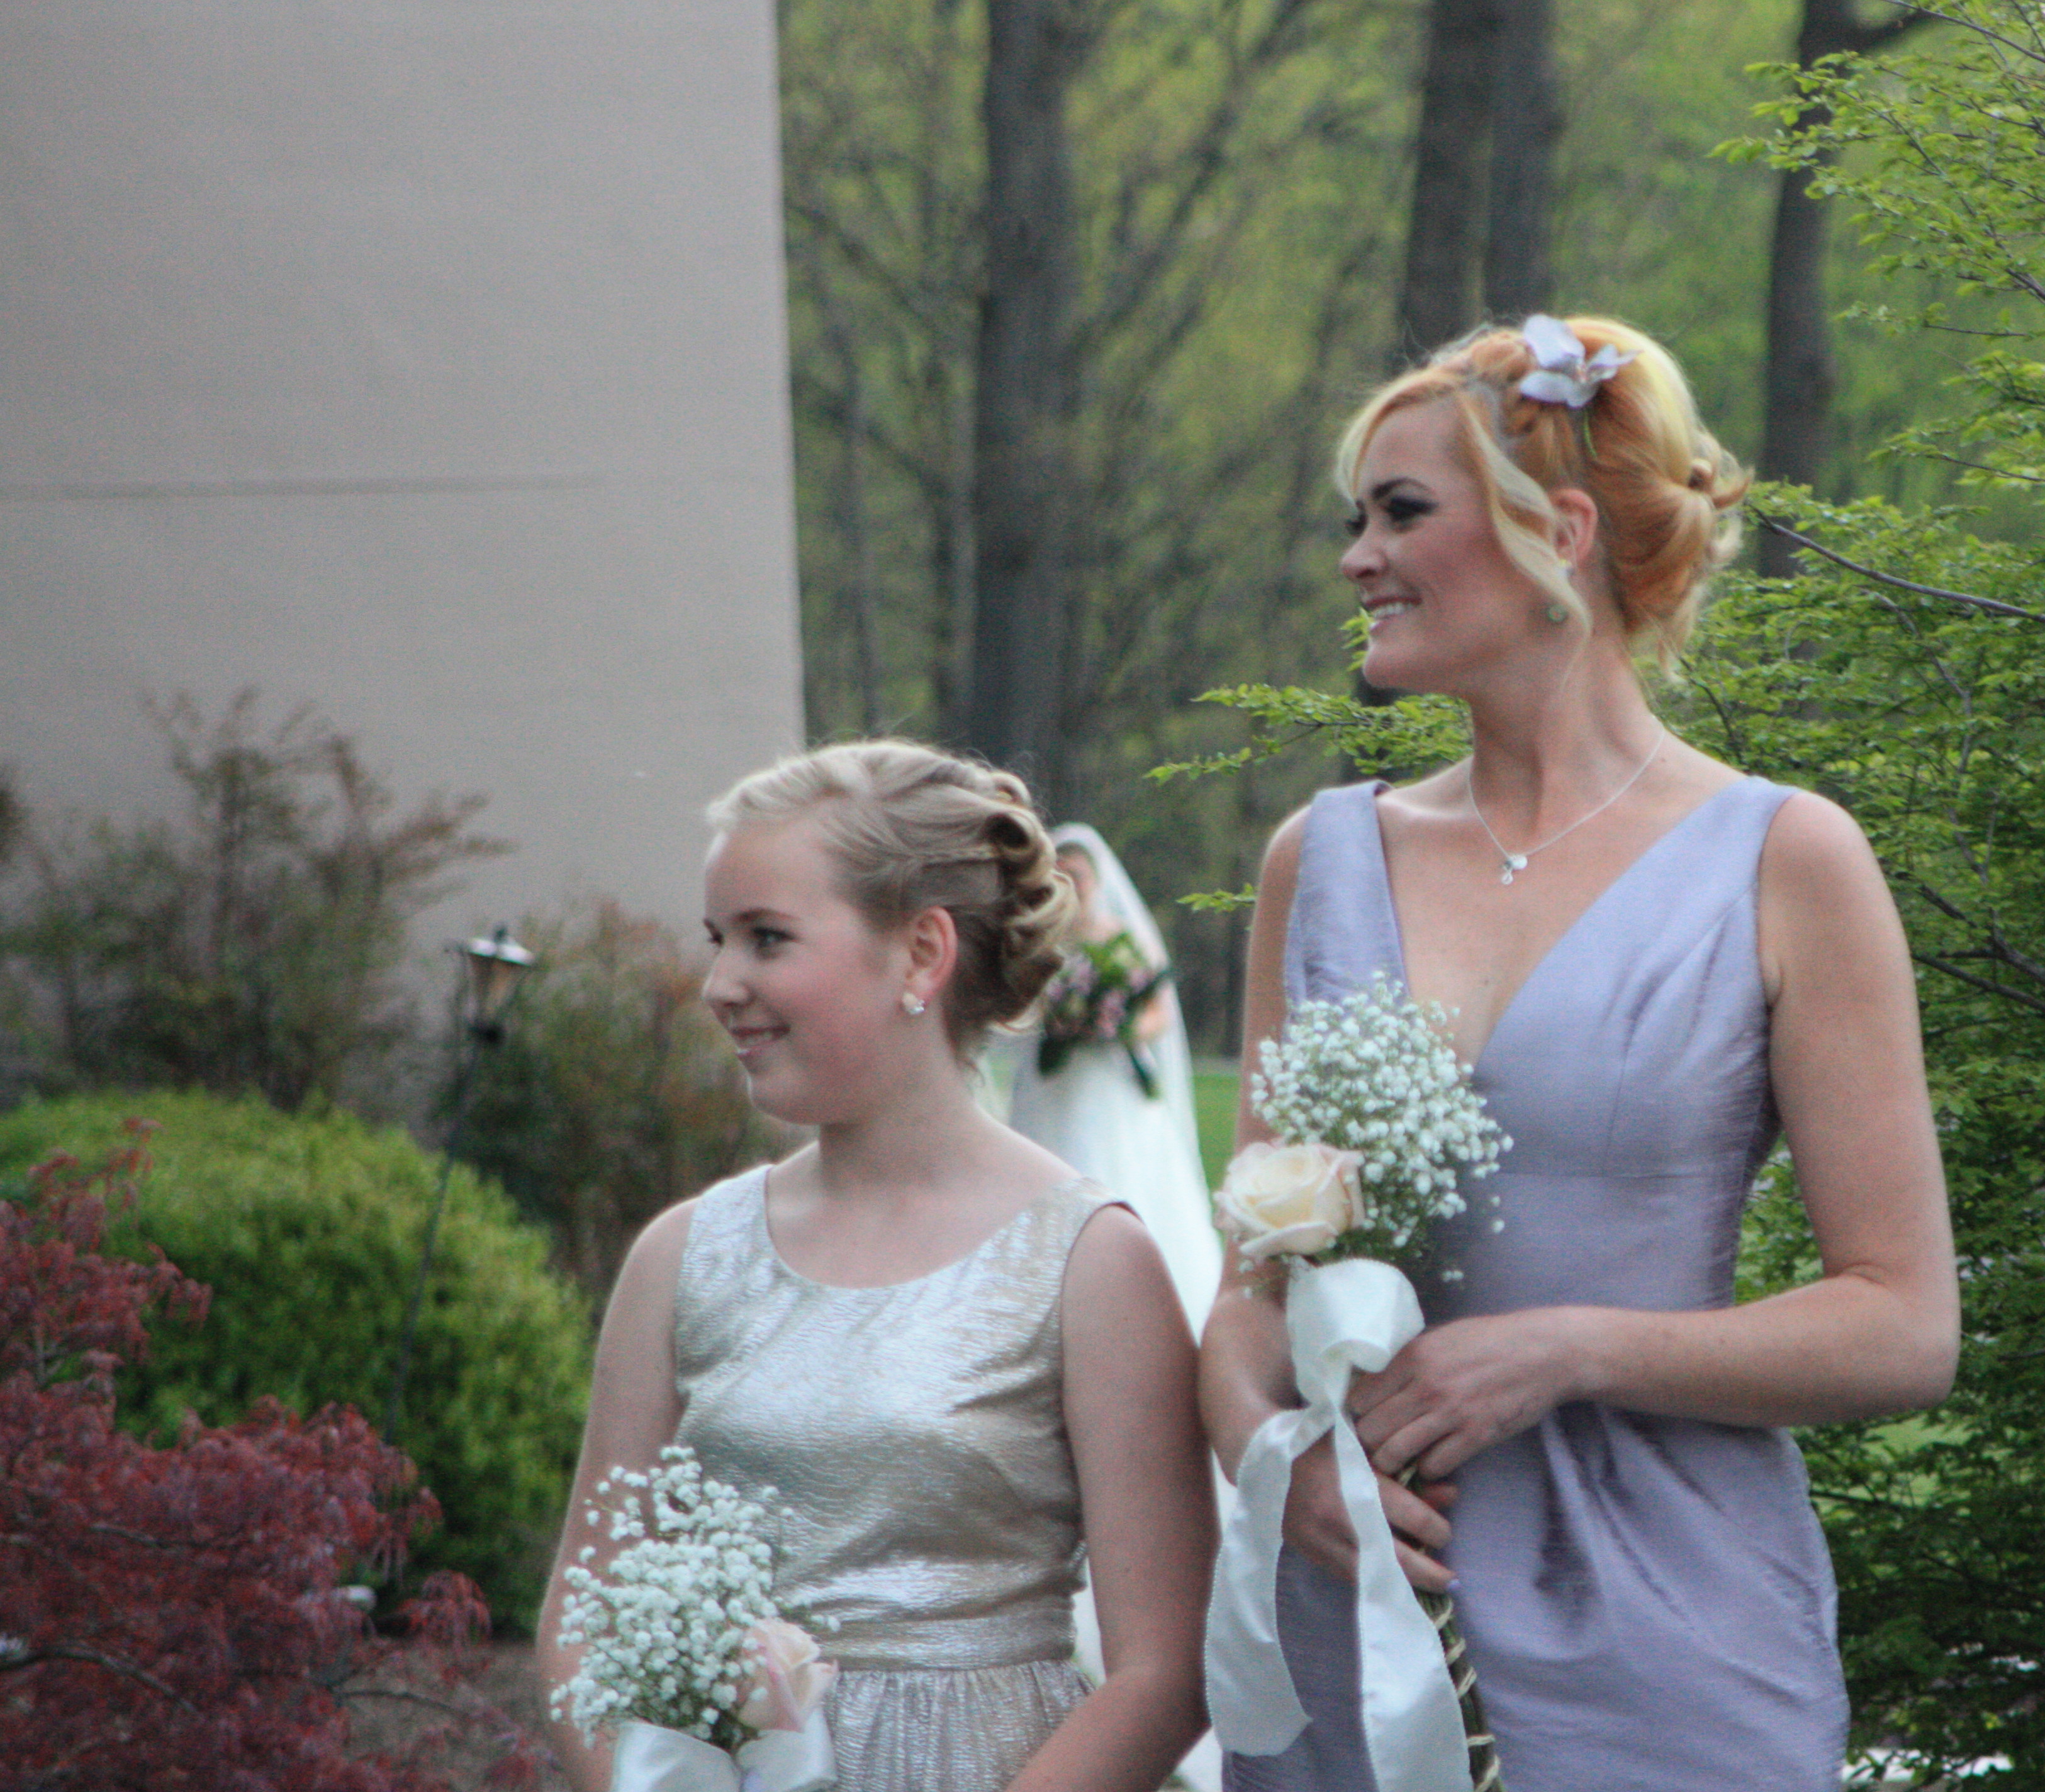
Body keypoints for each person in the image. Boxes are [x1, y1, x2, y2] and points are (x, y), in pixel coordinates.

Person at [1197, 316, 1959, 1792]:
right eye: (1355, 518)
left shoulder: (1786, 860)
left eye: (1400, 511)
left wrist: (1567, 1347)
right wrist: (1272, 1458)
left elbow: (1902, 1324)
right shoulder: (1322, 860)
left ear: (1560, 533)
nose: (1357, 557)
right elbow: (1249, 1286)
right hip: (1370, 1615)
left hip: (1667, 1629)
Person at [536, 740, 1213, 1792]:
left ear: (921, 954)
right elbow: (583, 1618)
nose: (719, 985)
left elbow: (1164, 1669)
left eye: (767, 937)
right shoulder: (683, 1257)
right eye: (718, 940)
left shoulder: (1089, 1262)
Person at [1004, 824, 1222, 1333]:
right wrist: (1064, 1019)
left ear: (1097, 881)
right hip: (1055, 1086)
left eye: (1078, 876)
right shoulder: (1038, 943)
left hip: (1114, 1085)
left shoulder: (1125, 940)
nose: (1071, 886)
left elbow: (1160, 1014)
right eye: (1060, 876)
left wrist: (1114, 1027)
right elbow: (1019, 1009)